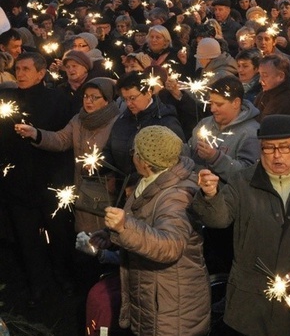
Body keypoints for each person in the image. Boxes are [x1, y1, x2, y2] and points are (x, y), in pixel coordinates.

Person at [192, 115, 290, 336]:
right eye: (268, 148)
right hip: (252, 299)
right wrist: (210, 196)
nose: (277, 156)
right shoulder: (244, 180)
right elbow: (218, 219)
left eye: (284, 147)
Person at [89, 126, 225, 336]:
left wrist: (124, 227)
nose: (132, 156)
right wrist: (111, 236)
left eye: (135, 152)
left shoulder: (175, 197)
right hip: (155, 297)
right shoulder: (152, 181)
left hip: (174, 303)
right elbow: (143, 224)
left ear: (145, 160)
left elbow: (169, 246)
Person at [0, 52, 74, 305]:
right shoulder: (6, 98)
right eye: (17, 69)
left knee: (59, 235)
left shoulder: (59, 100)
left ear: (41, 73)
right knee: (27, 239)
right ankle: (37, 285)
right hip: (18, 185)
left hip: (51, 183)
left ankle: (64, 279)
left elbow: (66, 140)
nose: (20, 74)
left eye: (26, 69)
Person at [15, 77, 120, 234]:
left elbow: (120, 155)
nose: (88, 101)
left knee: (104, 233)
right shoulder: (79, 119)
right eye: (85, 96)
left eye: (94, 97)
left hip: (106, 187)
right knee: (84, 234)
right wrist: (36, 134)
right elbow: (61, 140)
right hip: (81, 185)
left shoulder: (117, 122)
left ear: (107, 99)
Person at [103, 71, 185, 177]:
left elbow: (175, 161)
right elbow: (110, 148)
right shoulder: (123, 118)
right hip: (121, 187)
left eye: (132, 98)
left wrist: (136, 183)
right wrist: (103, 168)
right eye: (125, 99)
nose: (128, 104)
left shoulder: (166, 122)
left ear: (148, 93)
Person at [187, 76, 260, 183]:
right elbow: (189, 150)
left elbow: (248, 174)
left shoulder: (251, 132)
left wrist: (215, 158)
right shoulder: (205, 124)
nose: (212, 109)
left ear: (236, 103)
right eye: (211, 103)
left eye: (219, 104)